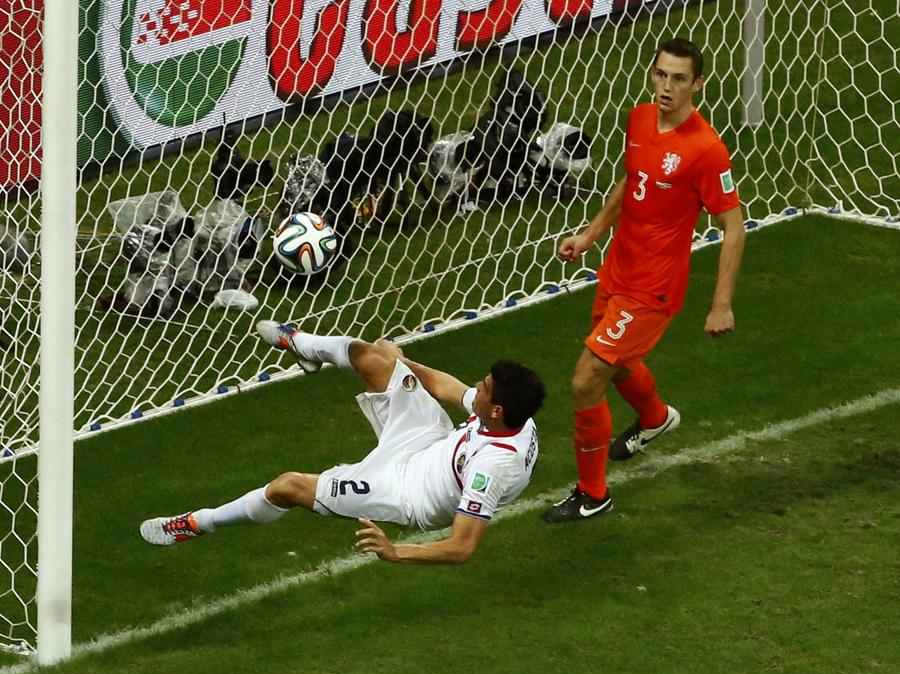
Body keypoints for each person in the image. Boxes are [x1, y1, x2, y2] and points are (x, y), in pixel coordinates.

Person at [542, 38, 746, 523]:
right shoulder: (637, 119)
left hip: (653, 287)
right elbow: (630, 181)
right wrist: (590, 234)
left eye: (679, 78)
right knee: (619, 361)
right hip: (617, 270)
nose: (667, 87)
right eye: (661, 75)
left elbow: (733, 226)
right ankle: (656, 419)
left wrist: (721, 304)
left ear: (698, 84)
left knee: (586, 380)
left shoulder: (706, 149)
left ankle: (593, 494)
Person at [141, 321, 546, 564]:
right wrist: (400, 362)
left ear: (497, 411)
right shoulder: (508, 416)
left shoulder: (493, 468)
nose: (478, 385)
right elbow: (446, 386)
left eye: (486, 387)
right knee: (370, 356)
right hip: (429, 442)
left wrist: (395, 551)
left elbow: (461, 548)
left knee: (288, 486)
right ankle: (300, 344)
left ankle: (197, 523)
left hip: (406, 492)